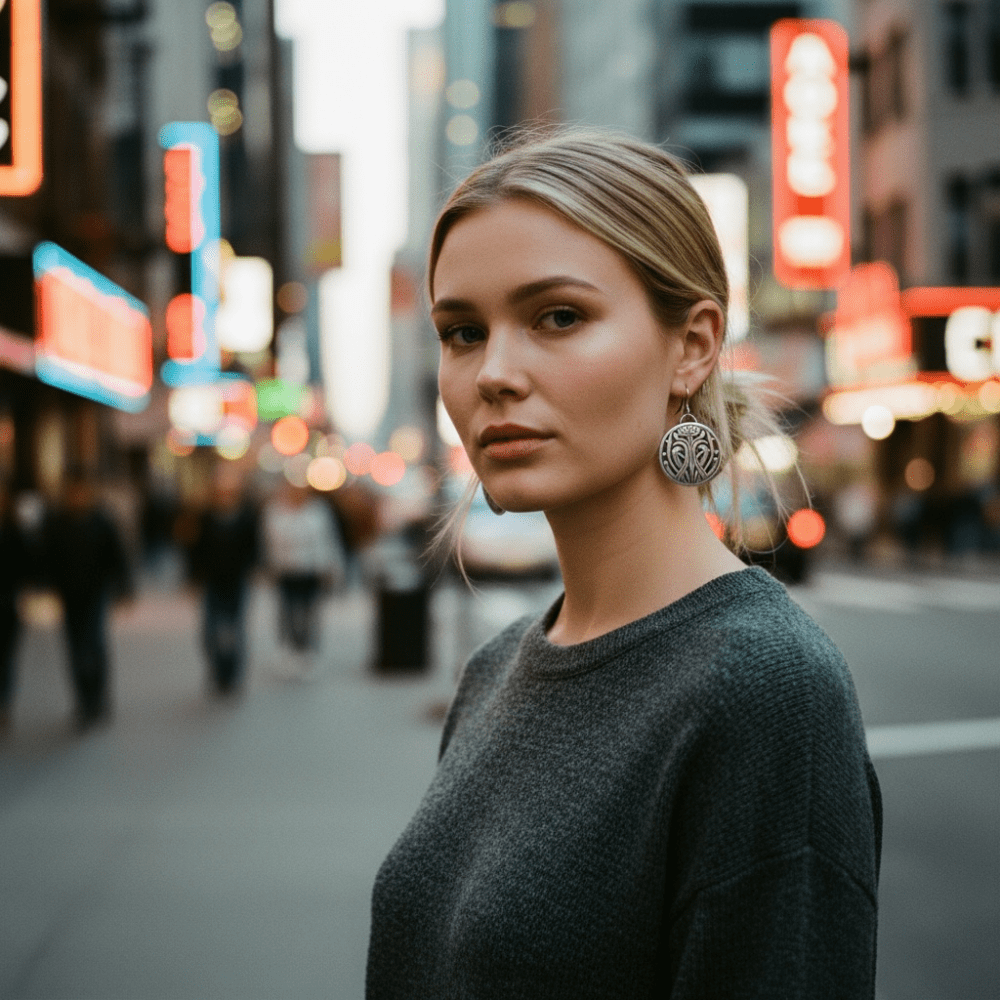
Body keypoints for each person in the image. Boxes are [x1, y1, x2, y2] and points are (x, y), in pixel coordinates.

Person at [366, 130, 882, 999]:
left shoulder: (764, 690)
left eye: (557, 317)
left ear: (692, 345)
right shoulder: (495, 672)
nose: (493, 373)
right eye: (462, 331)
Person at [44, 476, 132, 729]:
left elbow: (116, 554)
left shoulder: (101, 521)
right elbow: (48, 556)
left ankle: (98, 696)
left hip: (96, 592)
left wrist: (123, 586)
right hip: (69, 595)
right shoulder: (58, 521)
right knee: (74, 646)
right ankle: (83, 700)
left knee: (93, 644)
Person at [262, 481, 345, 674]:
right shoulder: (275, 511)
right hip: (286, 571)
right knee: (288, 612)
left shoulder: (319, 511)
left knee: (310, 613)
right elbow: (268, 541)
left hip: (312, 570)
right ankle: (291, 649)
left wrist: (332, 567)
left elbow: (328, 540)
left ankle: (308, 650)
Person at [189, 469, 259, 695]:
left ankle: (231, 675)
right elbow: (195, 550)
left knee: (235, 630)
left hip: (237, 581)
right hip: (212, 582)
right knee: (211, 631)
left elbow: (254, 549)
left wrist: (253, 569)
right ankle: (217, 669)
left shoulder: (247, 517)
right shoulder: (205, 517)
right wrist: (193, 577)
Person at [0, 484, 28, 733]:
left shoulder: (14, 530)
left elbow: (27, 564)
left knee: (5, 657)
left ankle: (3, 705)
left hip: (7, 603)